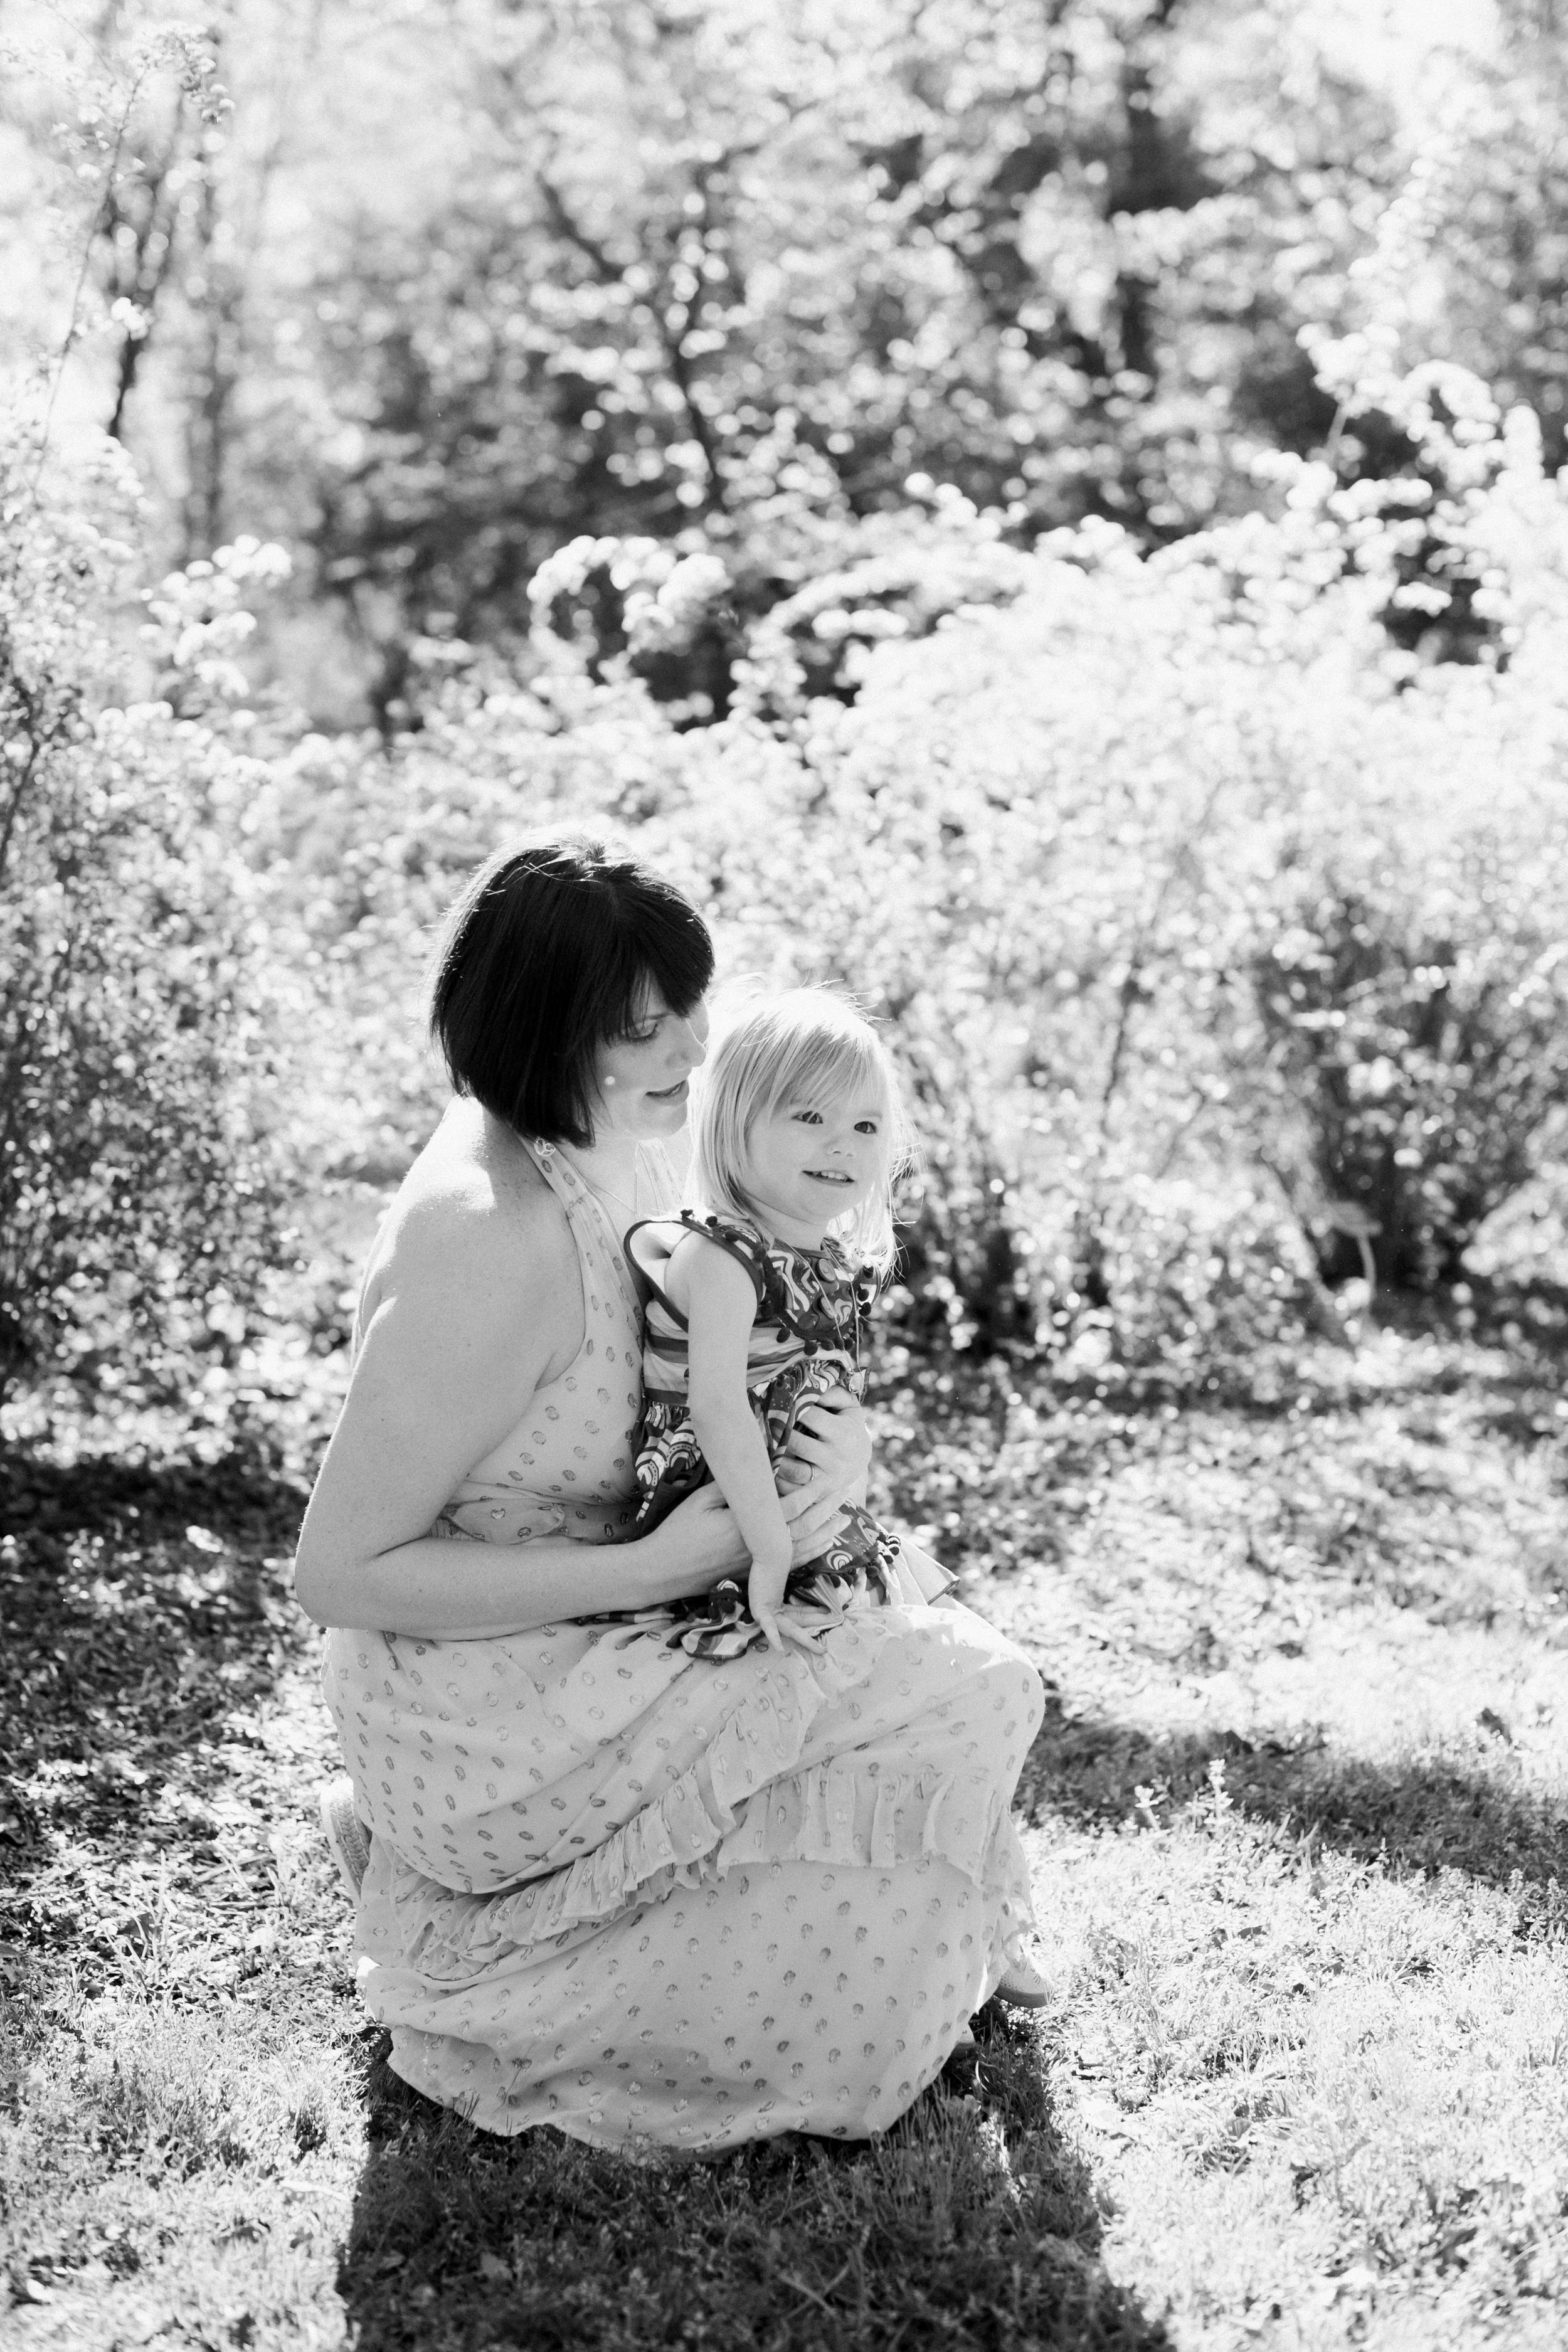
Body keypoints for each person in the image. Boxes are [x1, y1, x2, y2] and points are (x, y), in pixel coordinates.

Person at [295, 832, 1047, 2152]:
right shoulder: (487, 1231)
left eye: (689, 1012)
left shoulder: (610, 1148)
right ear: (543, 1030)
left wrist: (827, 1458)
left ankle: (850, 1962)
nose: (689, 1054)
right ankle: (557, 1979)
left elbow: (731, 1351)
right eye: (644, 1029)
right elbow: (339, 1575)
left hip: (607, 1620)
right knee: (964, 1688)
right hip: (488, 1705)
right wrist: (660, 1568)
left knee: (923, 1635)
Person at [609, 987, 950, 1661]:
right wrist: (770, 1554)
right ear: (737, 1123)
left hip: (798, 1517)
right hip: (730, 1531)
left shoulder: (820, 1259)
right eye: (810, 1115)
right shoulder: (724, 1256)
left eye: (865, 1126)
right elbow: (715, 1409)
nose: (842, 1145)